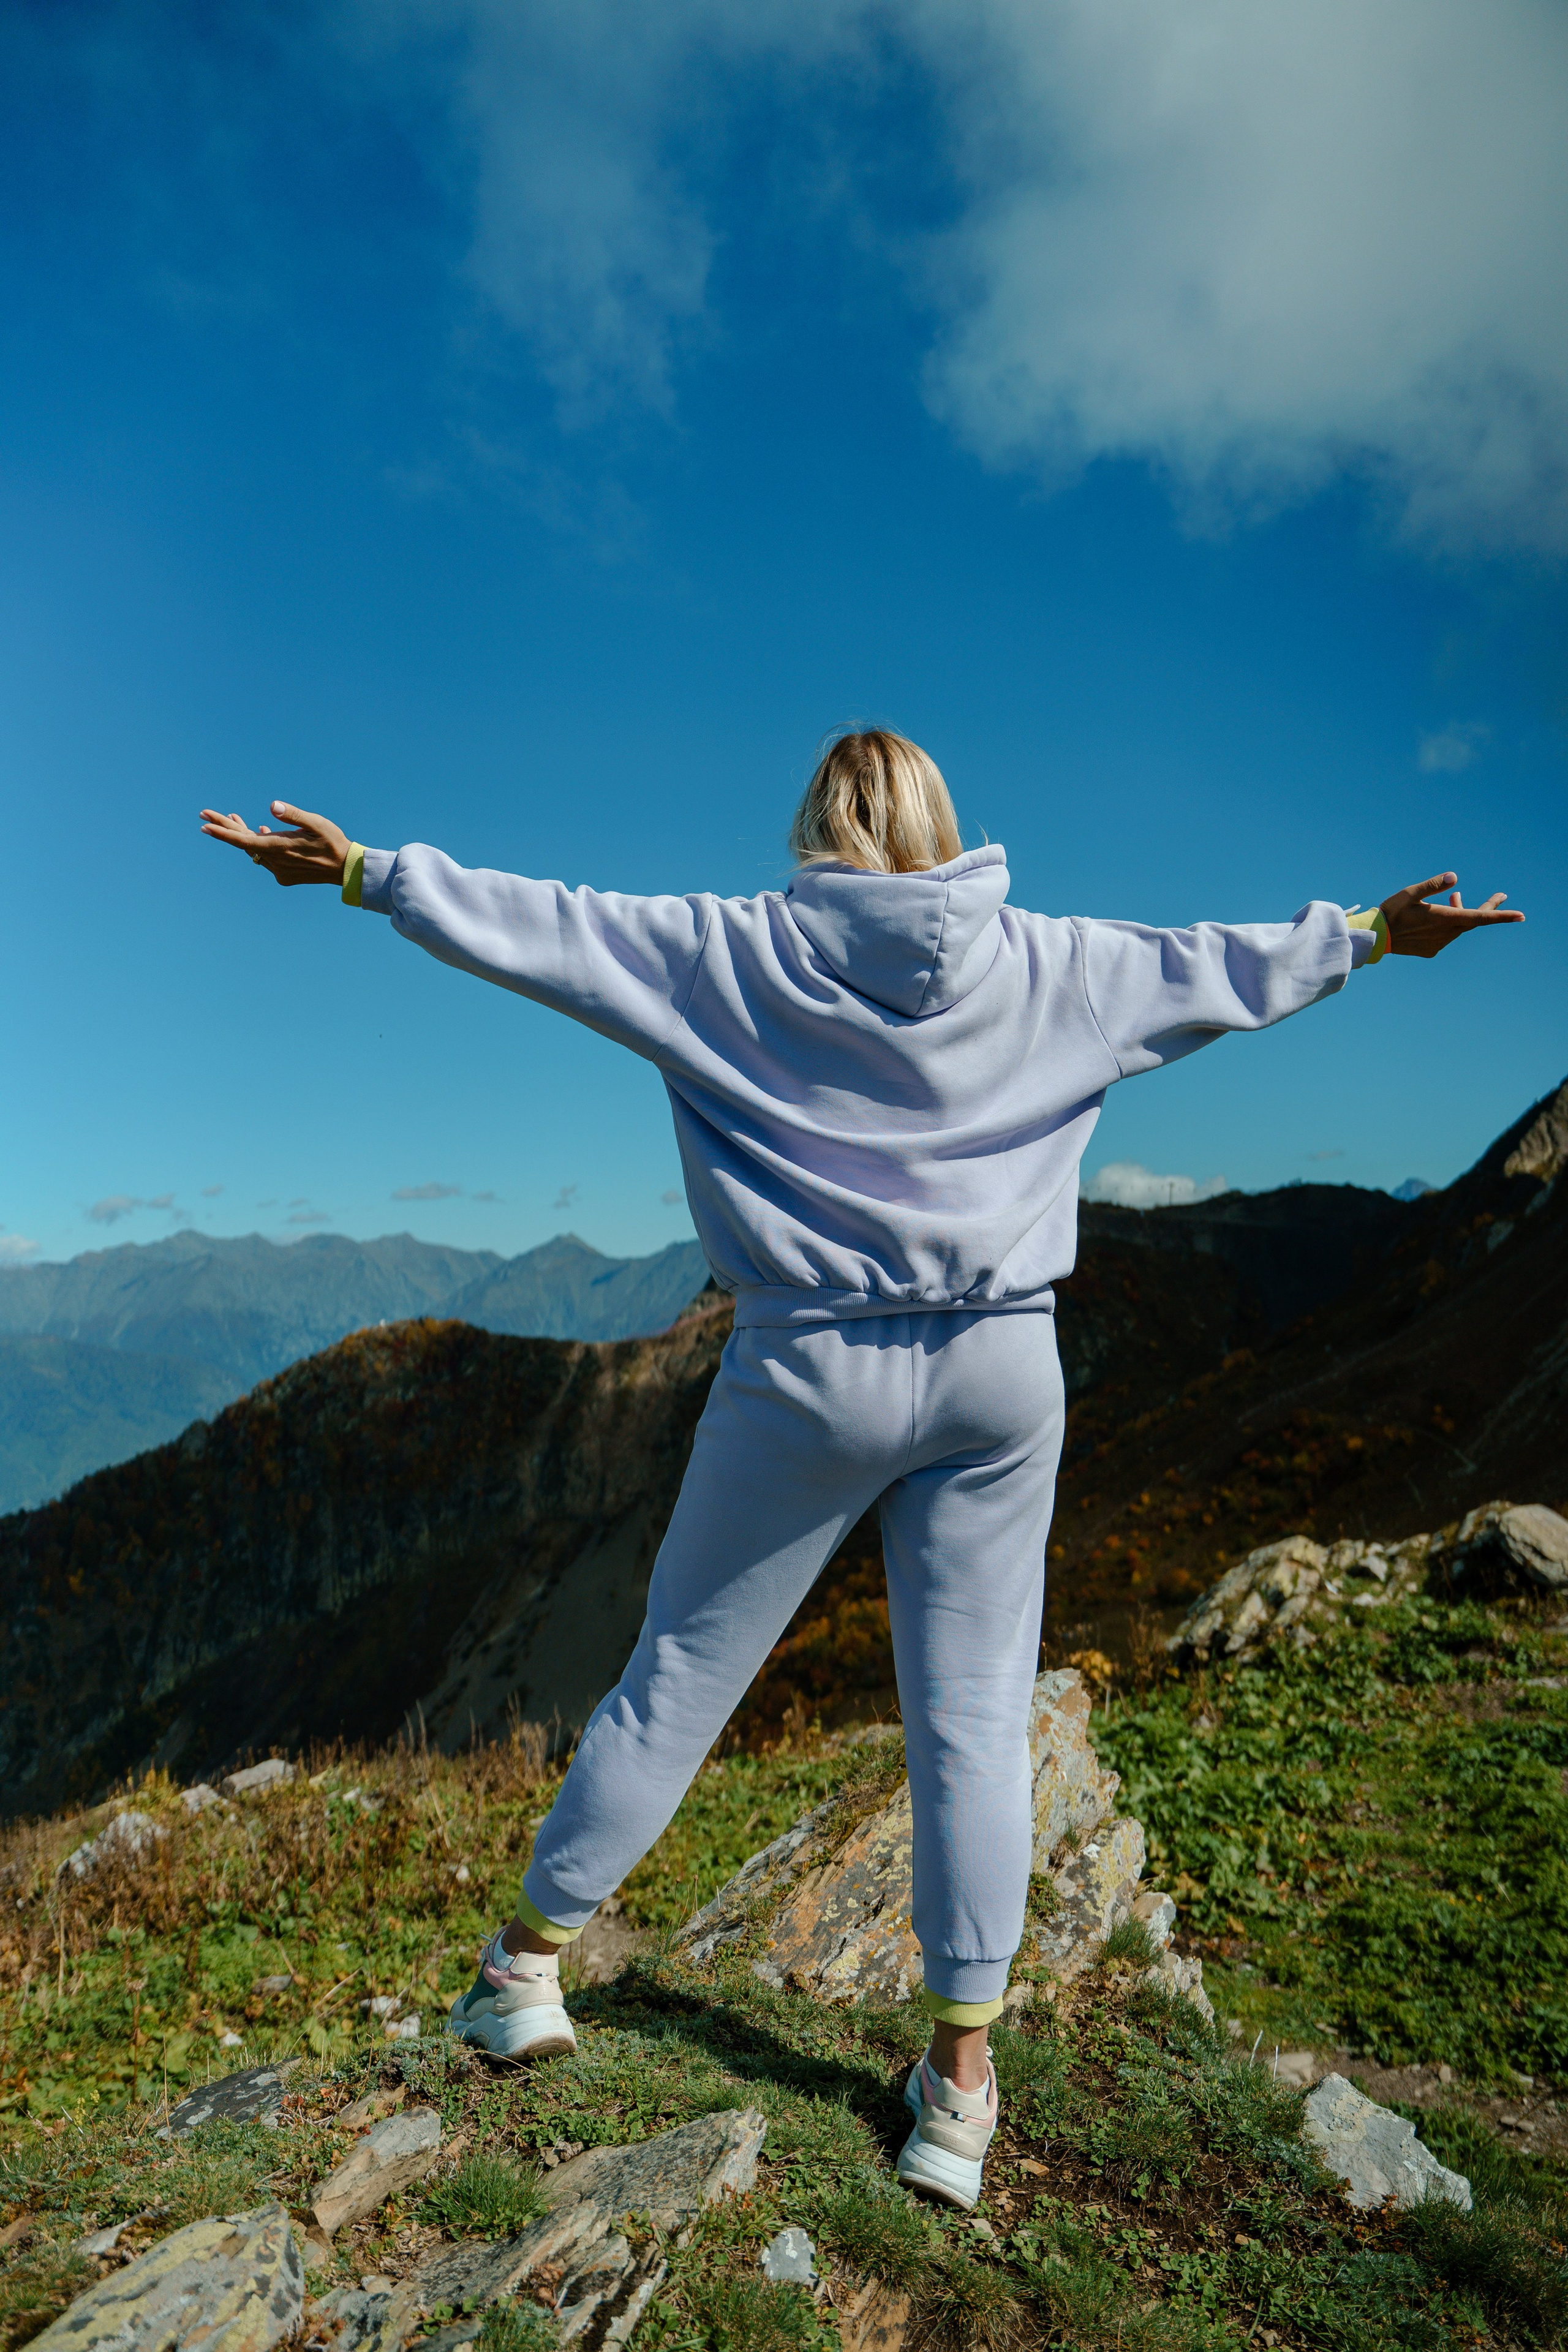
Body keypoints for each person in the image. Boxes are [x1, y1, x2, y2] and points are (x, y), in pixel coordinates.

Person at [202, 729, 1522, 2209]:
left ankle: (521, 1972)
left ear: (815, 826)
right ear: (944, 830)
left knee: (681, 1673)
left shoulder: (729, 952)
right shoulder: (1051, 960)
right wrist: (1367, 936)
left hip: (806, 1367)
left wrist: (374, 875)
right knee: (969, 1715)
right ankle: (955, 2096)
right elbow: (1214, 966)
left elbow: (550, 931)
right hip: (1000, 1368)